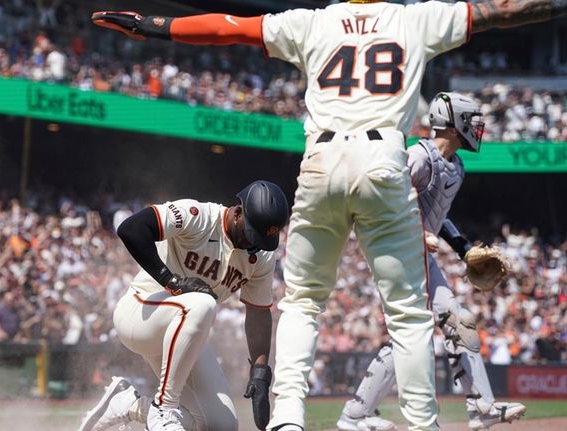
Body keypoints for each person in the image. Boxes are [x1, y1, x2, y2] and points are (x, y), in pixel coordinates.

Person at [91, 2, 565, 430]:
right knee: (406, 314)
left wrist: (160, 27)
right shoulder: (415, 17)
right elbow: (501, 10)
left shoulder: (312, 21)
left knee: (301, 301)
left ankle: (287, 419)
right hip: (384, 158)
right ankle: (423, 425)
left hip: (321, 158)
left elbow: (229, 27)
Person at [336, 93, 526, 431]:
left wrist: (464, 249)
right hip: (398, 251)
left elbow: (439, 218)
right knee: (413, 333)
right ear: (453, 126)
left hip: (419, 254)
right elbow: (384, 198)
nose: (477, 129)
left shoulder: (455, 165)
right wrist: (416, 233)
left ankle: (480, 406)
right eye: (471, 122)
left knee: (459, 322)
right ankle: (356, 414)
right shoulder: (419, 157)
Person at [77, 180, 290, 431]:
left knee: (220, 426)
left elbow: (258, 310)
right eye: (250, 232)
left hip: (184, 337)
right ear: (238, 210)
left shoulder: (261, 256)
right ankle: (164, 408)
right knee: (203, 303)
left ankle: (127, 404)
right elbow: (132, 228)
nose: (252, 243)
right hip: (141, 314)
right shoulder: (199, 216)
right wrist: (172, 282)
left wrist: (260, 370)